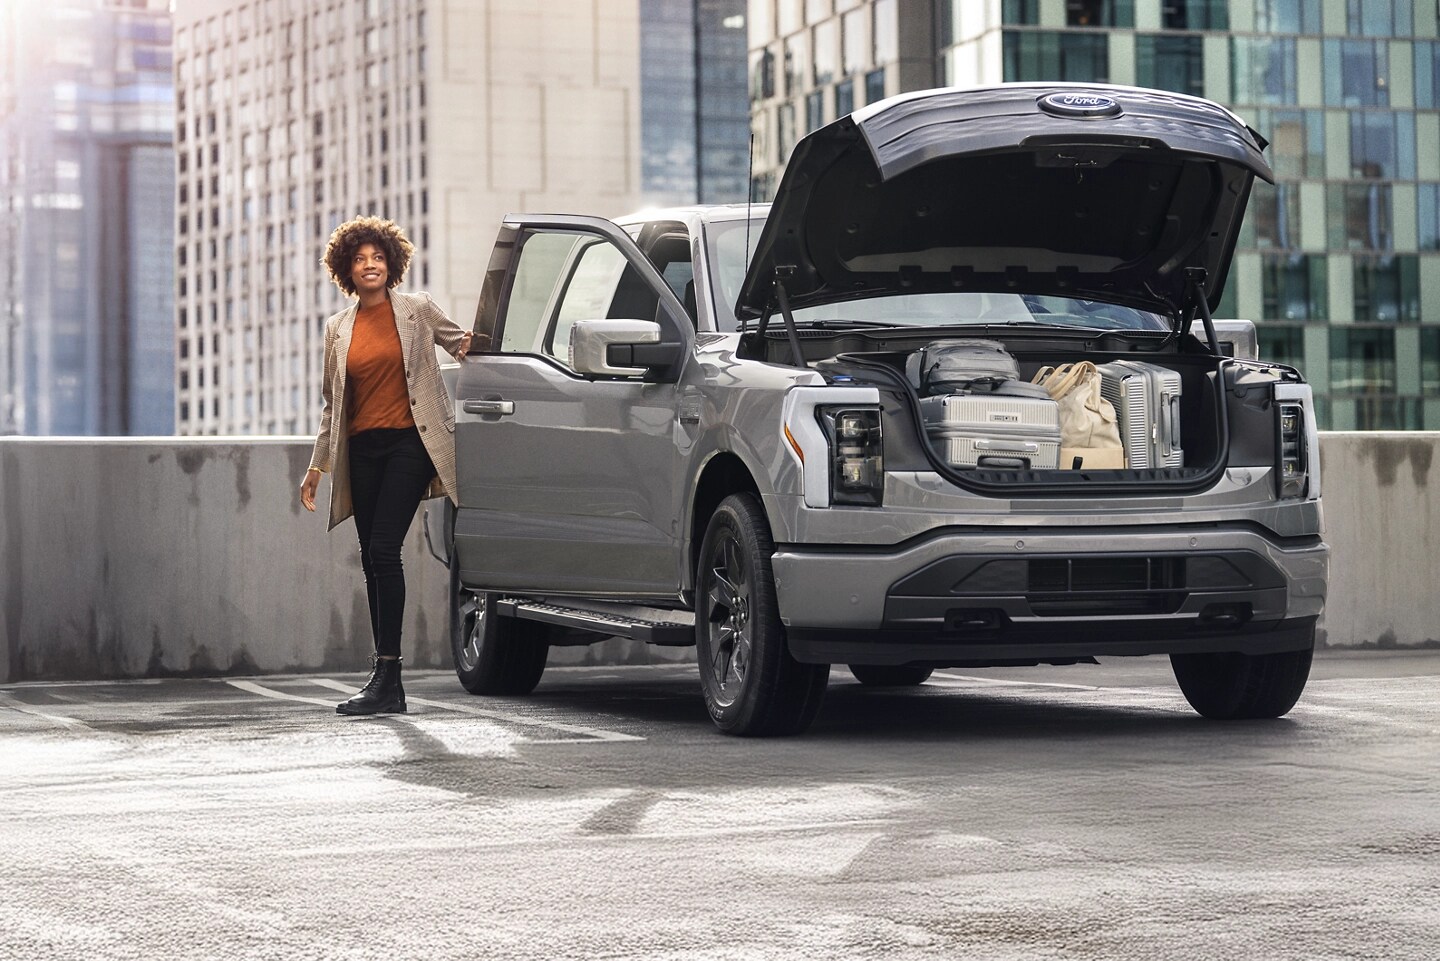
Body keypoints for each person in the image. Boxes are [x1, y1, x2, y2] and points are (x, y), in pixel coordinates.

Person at [299, 216, 471, 715]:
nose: (369, 265)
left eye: (377, 257)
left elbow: (459, 343)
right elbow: (332, 404)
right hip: (363, 450)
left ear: (391, 263)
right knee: (372, 561)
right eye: (359, 259)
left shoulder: (416, 310)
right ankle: (386, 680)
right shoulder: (338, 328)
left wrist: (498, 351)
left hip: (410, 445)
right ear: (346, 270)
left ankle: (387, 674)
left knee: (383, 548)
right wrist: (317, 467)